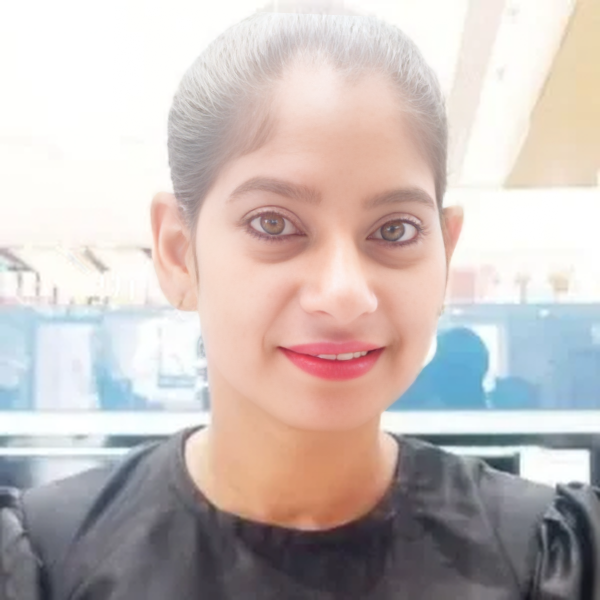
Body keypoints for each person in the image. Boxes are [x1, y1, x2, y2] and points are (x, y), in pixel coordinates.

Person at [2, 6, 599, 600]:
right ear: (180, 253)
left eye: (394, 231)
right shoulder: (52, 561)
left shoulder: (544, 560)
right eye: (273, 224)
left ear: (445, 251)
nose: (344, 294)